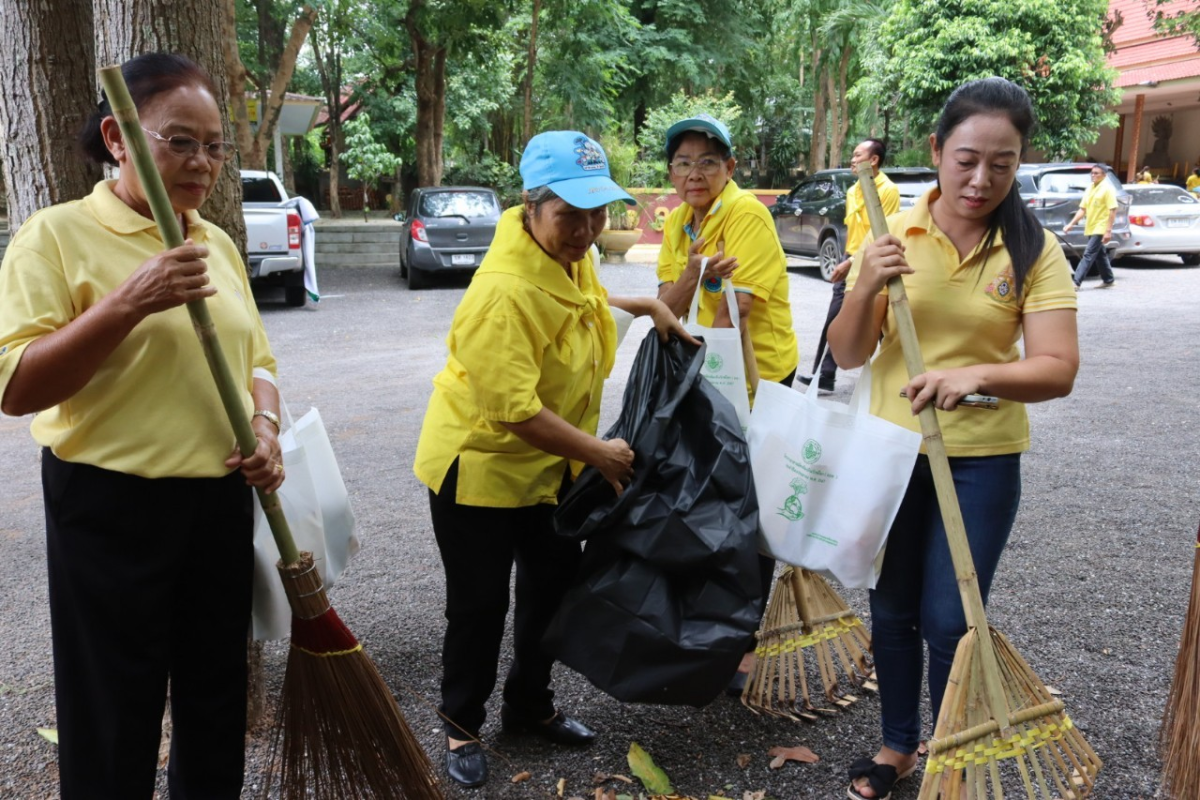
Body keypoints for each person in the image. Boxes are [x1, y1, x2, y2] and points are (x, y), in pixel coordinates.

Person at [0, 53, 281, 799]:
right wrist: (130, 302)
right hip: (108, 505)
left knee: (214, 700)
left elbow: (259, 355)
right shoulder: (53, 236)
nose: (202, 162)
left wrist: (265, 425)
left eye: (216, 146)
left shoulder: (214, 242)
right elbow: (18, 385)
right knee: (111, 710)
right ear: (118, 138)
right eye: (179, 141)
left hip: (218, 501)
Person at [413, 130, 695, 789]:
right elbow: (511, 409)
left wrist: (648, 302)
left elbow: (582, 303)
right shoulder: (503, 291)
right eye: (570, 214)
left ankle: (529, 707)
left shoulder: (568, 258)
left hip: (548, 470)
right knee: (479, 607)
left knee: (549, 594)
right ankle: (461, 726)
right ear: (531, 207)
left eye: (597, 213)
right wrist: (600, 454)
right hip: (479, 471)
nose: (586, 230)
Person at [827, 76, 1079, 800]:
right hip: (889, 452)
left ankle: (952, 748)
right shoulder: (891, 234)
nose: (981, 179)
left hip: (981, 463)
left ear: (1019, 163)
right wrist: (865, 285)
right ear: (937, 151)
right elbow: (848, 354)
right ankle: (896, 746)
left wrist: (974, 375)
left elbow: (1058, 368)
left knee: (952, 617)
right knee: (893, 609)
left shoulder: (1034, 250)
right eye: (967, 159)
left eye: (1002, 165)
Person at [654, 113, 799, 692]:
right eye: (684, 163)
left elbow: (735, 312)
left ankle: (742, 644)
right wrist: (692, 272)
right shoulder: (678, 225)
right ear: (671, 172)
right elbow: (665, 303)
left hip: (753, 381)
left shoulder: (746, 215)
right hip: (704, 377)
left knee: (750, 510)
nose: (695, 174)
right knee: (706, 503)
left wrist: (694, 296)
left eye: (708, 162)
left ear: (730, 168)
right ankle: (706, 623)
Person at [800, 138, 900, 393]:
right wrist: (847, 259)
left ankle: (881, 377)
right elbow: (853, 230)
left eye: (858, 155)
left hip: (872, 262)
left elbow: (882, 234)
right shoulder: (854, 189)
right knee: (835, 317)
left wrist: (853, 262)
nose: (852, 160)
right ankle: (823, 375)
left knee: (875, 323)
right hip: (850, 258)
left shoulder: (887, 191)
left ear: (874, 159)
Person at [1063, 164, 1117, 289]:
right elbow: (1083, 209)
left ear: (1104, 175)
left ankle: (1076, 282)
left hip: (1101, 226)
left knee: (1089, 254)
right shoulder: (1090, 188)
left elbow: (1113, 210)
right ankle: (1109, 280)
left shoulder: (1107, 189)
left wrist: (1108, 231)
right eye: (1092, 173)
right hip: (1091, 226)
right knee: (1100, 254)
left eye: (1096, 173)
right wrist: (1071, 224)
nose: (1093, 175)